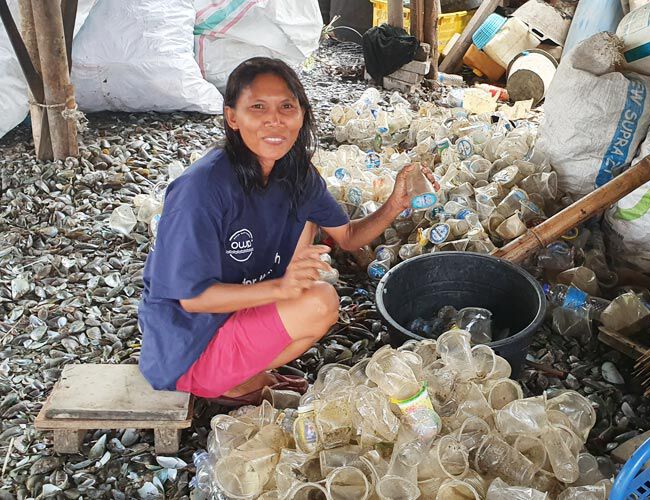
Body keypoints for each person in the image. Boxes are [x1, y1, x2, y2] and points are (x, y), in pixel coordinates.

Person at [137, 57, 437, 405]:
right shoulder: (200, 189)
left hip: (239, 309)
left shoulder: (296, 174)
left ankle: (240, 367)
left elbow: (349, 237)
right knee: (321, 302)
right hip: (187, 348)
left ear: (302, 114)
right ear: (232, 117)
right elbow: (193, 298)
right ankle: (223, 380)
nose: (274, 120)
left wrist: (394, 205)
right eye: (258, 107)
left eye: (286, 107)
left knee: (308, 219)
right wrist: (281, 287)